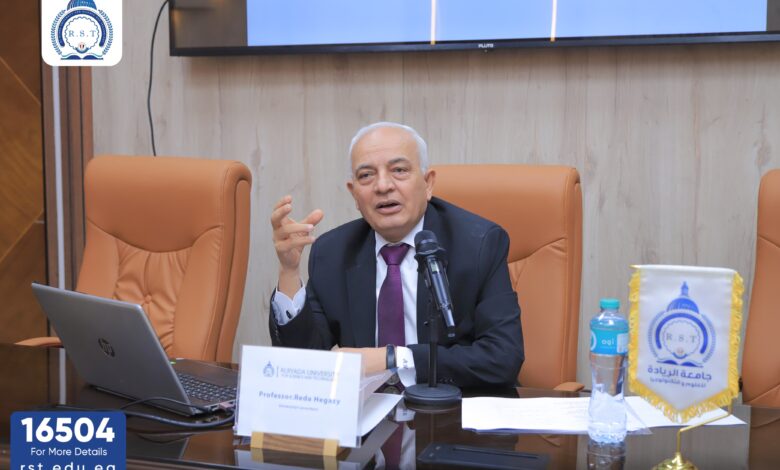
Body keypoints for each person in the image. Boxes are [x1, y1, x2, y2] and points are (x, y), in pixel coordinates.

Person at [268, 122, 523, 387]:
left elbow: (502, 357)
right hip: (367, 409)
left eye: (399, 170)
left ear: (428, 183)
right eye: (366, 175)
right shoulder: (332, 252)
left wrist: (395, 359)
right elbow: (303, 365)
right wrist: (289, 271)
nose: (382, 186)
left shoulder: (479, 244)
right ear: (354, 193)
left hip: (451, 406)